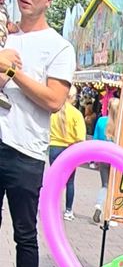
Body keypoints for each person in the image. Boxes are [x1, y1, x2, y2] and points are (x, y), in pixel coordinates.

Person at [0, 0, 76, 267]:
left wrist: (11, 69)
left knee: (25, 234)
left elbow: (53, 100)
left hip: (26, 152)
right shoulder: (6, 36)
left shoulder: (59, 47)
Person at [48, 85, 86, 220]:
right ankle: (68, 211)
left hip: (54, 148)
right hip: (70, 149)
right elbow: (81, 137)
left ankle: (51, 207)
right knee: (70, 182)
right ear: (73, 97)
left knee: (55, 180)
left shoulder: (54, 111)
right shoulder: (76, 114)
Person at [92, 96, 120, 224]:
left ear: (108, 108)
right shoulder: (121, 125)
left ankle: (98, 205)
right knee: (114, 187)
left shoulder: (101, 121)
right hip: (118, 159)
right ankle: (110, 215)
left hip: (103, 158)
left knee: (104, 185)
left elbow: (96, 140)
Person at [0, 0, 16, 111]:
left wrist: (13, 28)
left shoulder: (4, 10)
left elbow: (8, 24)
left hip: (3, 44)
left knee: (11, 69)